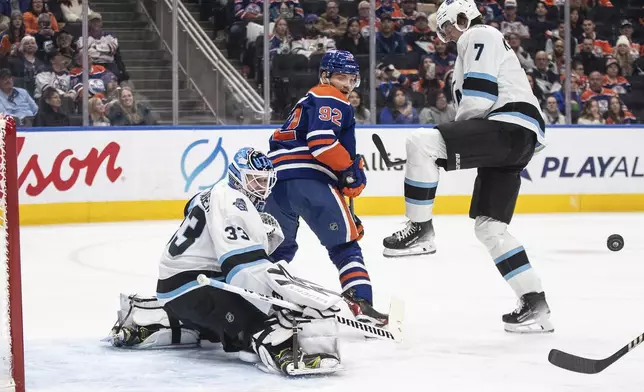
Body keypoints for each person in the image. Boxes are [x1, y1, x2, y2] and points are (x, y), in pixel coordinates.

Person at [382, 0, 552, 334]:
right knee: (490, 228)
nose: (444, 37)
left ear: (461, 18)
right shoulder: (476, 44)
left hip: (508, 127)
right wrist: (440, 149)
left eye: (445, 28)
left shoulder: (479, 34)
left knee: (421, 141)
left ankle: (420, 230)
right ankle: (535, 304)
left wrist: (442, 144)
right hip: (515, 140)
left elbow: (478, 101)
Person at [106, 147, 343, 376]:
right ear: (237, 177)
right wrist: (278, 300)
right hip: (193, 287)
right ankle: (285, 351)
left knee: (232, 314)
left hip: (177, 286)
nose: (261, 188)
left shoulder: (212, 193)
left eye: (265, 181)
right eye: (254, 180)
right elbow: (242, 265)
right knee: (260, 319)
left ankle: (164, 322)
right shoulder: (233, 202)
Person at [264, 50, 388, 327]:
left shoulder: (305, 101)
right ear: (325, 76)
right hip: (310, 180)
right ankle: (362, 303)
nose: (346, 84)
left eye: (352, 79)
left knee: (278, 250)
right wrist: (350, 169)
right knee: (345, 247)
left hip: (275, 184)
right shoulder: (330, 97)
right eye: (340, 77)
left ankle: (261, 301)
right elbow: (321, 142)